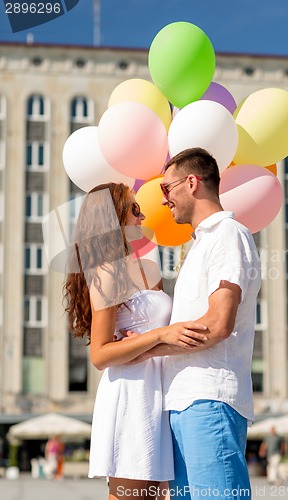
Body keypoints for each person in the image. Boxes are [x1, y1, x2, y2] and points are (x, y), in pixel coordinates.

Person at [129, 147, 262, 500]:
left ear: (192, 182)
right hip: (185, 400)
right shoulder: (201, 244)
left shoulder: (228, 234)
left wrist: (147, 349)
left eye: (166, 189)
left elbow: (218, 323)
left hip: (210, 398)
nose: (163, 199)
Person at [63, 182, 208, 500]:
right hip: (130, 396)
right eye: (134, 209)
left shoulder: (150, 269)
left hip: (162, 393)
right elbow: (100, 355)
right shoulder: (105, 273)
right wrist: (156, 335)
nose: (142, 216)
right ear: (113, 218)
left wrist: (151, 340)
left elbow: (165, 331)